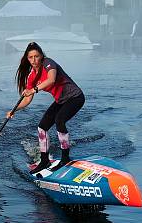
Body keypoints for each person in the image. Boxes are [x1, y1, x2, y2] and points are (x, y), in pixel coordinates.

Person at [7, 41, 85, 175]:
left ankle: (65, 159)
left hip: (75, 97)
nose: (34, 60)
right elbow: (27, 99)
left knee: (60, 120)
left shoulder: (48, 63)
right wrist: (14, 110)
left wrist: (34, 89)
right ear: (27, 59)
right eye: (30, 57)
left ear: (41, 55)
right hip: (60, 100)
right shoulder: (32, 76)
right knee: (42, 127)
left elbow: (51, 80)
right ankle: (44, 161)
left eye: (36, 56)